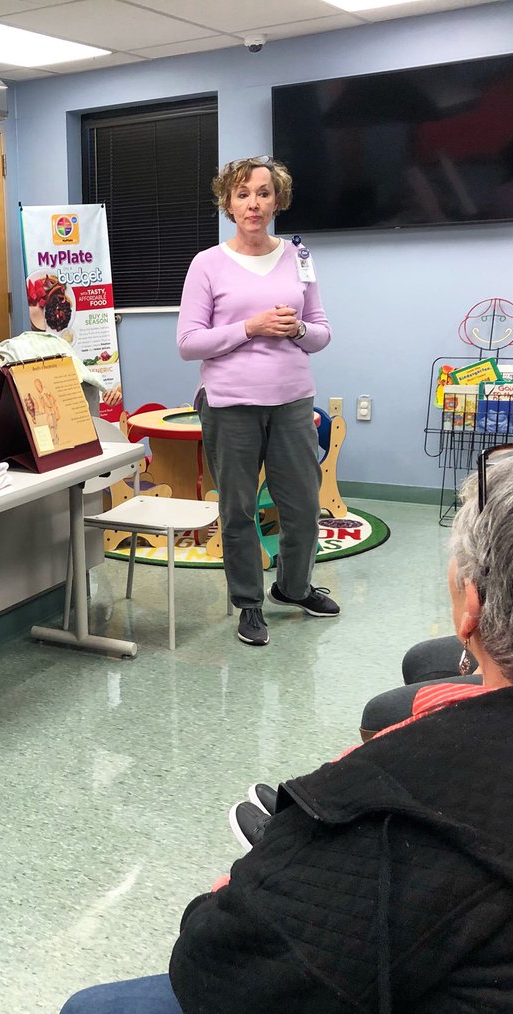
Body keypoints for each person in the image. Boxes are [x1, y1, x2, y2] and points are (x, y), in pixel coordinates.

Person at [62, 448, 513, 1013]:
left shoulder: (408, 803)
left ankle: (294, 844)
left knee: (92, 1006)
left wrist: (276, 870)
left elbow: (216, 961)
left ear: (469, 608)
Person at [177, 156, 337, 647]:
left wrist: (300, 329)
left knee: (304, 507)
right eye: (243, 194)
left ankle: (293, 587)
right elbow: (188, 343)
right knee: (240, 509)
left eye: (263, 193)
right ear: (228, 202)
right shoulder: (207, 263)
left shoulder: (299, 257)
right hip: (230, 404)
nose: (253, 203)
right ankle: (249, 603)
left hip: (292, 401)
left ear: (277, 200)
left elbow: (322, 332)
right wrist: (250, 328)